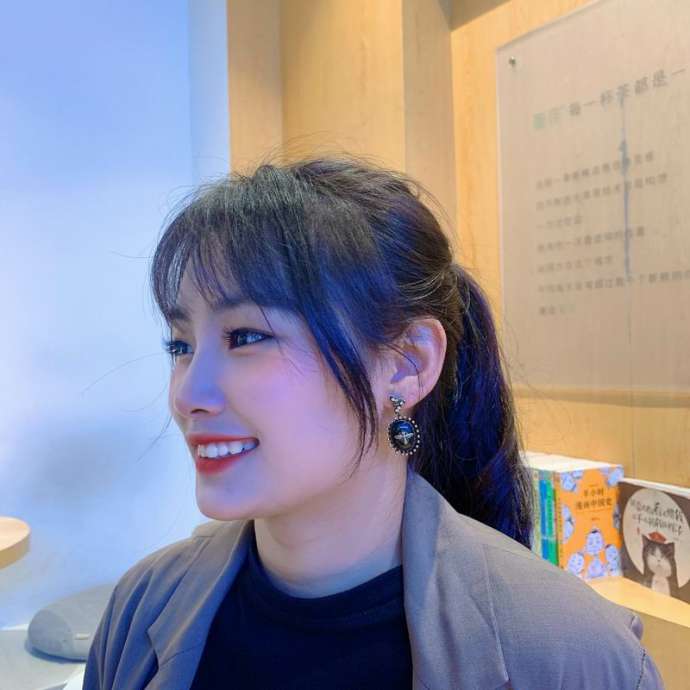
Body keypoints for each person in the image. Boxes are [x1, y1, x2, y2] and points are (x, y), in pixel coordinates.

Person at [82, 156, 664, 689]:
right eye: (180, 346)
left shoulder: (571, 654)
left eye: (247, 336)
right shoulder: (143, 607)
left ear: (407, 364)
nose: (188, 394)